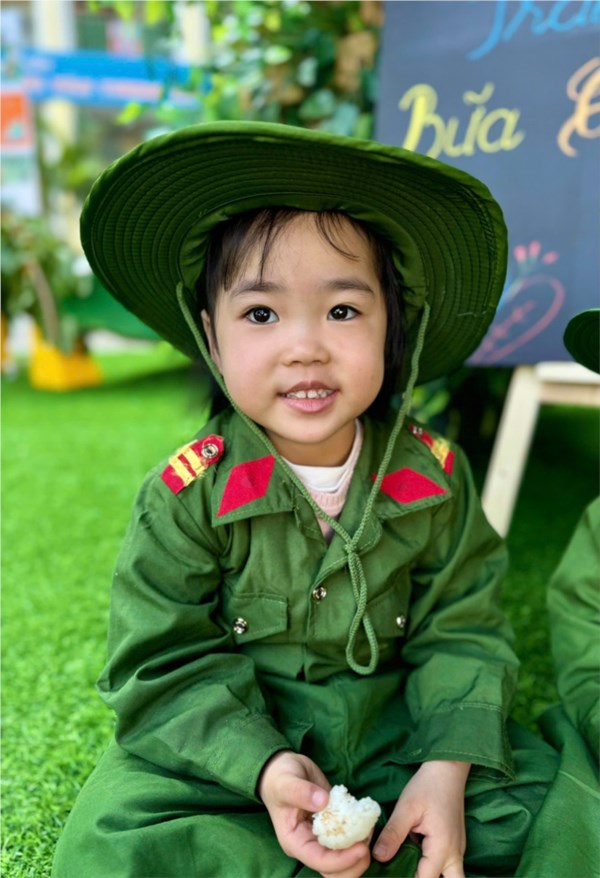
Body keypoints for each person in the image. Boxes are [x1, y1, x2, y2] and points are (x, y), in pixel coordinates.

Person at [53, 122, 562, 878]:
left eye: (343, 311)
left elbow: (464, 630)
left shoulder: (437, 474)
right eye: (261, 314)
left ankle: (420, 820)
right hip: (241, 746)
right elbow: (162, 664)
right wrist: (263, 770)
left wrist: (446, 768)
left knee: (555, 806)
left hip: (400, 733)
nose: (305, 348)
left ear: (393, 327)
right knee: (114, 838)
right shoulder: (185, 496)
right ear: (211, 336)